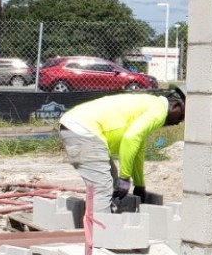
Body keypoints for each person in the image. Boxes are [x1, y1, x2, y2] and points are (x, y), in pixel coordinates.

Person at [58, 86, 186, 213]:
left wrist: (139, 184)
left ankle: (110, 217)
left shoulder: (153, 105)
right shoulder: (159, 112)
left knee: (111, 177)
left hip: (77, 127)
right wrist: (125, 178)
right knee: (102, 187)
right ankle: (101, 225)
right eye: (182, 116)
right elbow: (130, 139)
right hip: (84, 130)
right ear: (176, 105)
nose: (179, 122)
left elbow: (137, 148)